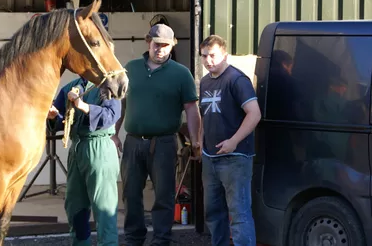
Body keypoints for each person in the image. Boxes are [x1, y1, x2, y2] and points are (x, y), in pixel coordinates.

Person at [113, 24, 202, 246]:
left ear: (172, 45)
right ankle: (134, 238)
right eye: (156, 44)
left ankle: (161, 240)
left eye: (165, 45)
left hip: (164, 143)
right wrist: (113, 134)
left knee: (164, 195)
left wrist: (196, 141)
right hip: (133, 141)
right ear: (148, 42)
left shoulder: (181, 74)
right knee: (131, 194)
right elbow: (120, 104)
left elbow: (192, 109)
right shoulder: (130, 69)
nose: (160, 49)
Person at [197, 34, 260, 246]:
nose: (208, 61)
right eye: (204, 56)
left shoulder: (237, 80)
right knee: (214, 214)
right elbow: (204, 116)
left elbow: (254, 114)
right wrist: (200, 142)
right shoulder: (204, 81)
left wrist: (233, 141)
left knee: (239, 214)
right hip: (210, 158)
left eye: (212, 55)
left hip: (235, 158)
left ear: (224, 54)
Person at [47, 76, 122, 246]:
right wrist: (52, 117)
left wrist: (83, 106)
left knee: (104, 210)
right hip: (77, 147)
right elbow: (61, 120)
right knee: (75, 207)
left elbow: (111, 116)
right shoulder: (70, 87)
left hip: (100, 146)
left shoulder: (109, 85)